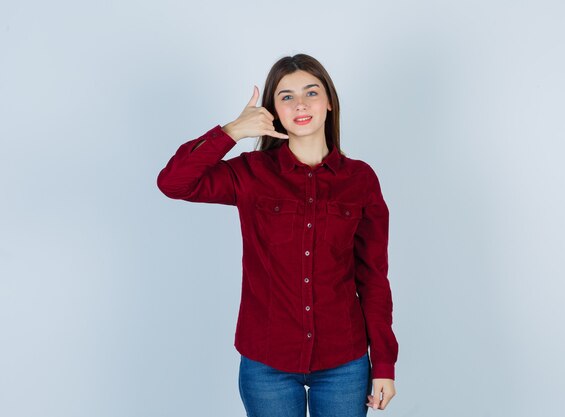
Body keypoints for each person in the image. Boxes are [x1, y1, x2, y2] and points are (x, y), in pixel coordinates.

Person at [157, 53, 398, 417]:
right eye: (286, 96)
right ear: (273, 109)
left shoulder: (360, 180)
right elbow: (174, 182)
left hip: (343, 363)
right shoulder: (250, 174)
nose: (300, 104)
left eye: (311, 92)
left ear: (329, 102)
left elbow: (374, 277)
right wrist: (232, 131)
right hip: (267, 362)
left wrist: (383, 363)